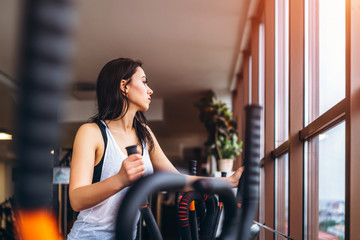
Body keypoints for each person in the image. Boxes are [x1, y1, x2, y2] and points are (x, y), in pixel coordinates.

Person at [67, 58, 244, 240]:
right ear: (124, 86)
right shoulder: (91, 133)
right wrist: (120, 179)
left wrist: (229, 182)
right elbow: (76, 199)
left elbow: (177, 180)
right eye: (143, 82)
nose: (150, 89)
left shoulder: (145, 134)